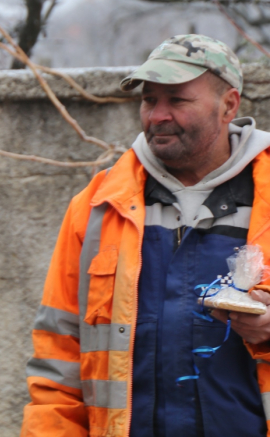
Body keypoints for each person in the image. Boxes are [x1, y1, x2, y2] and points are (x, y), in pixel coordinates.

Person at [21, 34, 270, 437]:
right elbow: (58, 358)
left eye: (177, 99)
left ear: (229, 105)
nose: (157, 115)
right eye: (149, 99)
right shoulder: (99, 205)